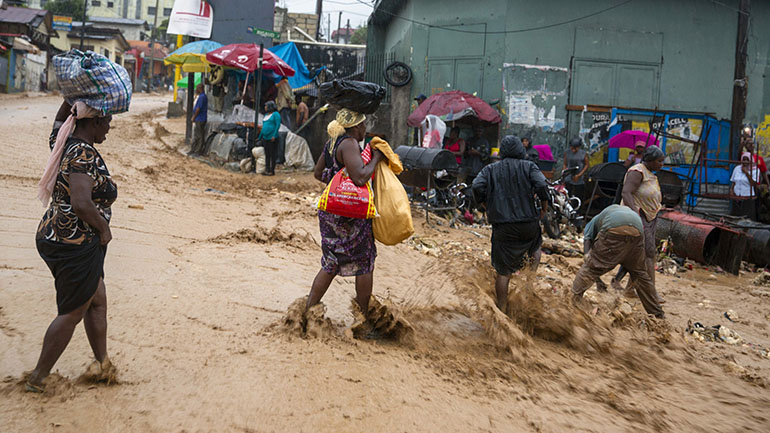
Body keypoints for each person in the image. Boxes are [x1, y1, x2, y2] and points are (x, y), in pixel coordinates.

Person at [27, 100, 119, 392]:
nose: (109, 128)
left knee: (97, 300)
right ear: (93, 123)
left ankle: (102, 364)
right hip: (74, 242)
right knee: (72, 311)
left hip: (57, 235)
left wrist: (72, 97)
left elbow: (57, 124)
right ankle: (38, 378)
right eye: (107, 122)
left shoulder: (66, 140)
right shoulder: (82, 152)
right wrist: (104, 230)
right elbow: (81, 203)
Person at [309, 108, 385, 315]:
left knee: (331, 262)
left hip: (330, 212)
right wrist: (376, 158)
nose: (365, 129)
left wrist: (337, 183)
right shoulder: (350, 144)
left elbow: (318, 173)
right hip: (350, 215)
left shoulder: (331, 143)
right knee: (364, 261)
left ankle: (307, 311)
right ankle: (363, 317)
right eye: (364, 124)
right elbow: (360, 177)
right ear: (356, 126)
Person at [472, 136, 549, 313]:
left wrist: (485, 205)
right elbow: (542, 185)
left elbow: (476, 187)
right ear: (520, 151)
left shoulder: (490, 169)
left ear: (502, 152)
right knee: (536, 246)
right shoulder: (529, 166)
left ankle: (502, 310)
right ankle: (529, 282)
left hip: (503, 225)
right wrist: (543, 207)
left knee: (503, 271)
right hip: (528, 222)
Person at [572, 205, 665, 318]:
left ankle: (572, 302)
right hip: (637, 229)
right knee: (640, 275)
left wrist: (587, 256)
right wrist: (608, 280)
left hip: (615, 227)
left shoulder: (593, 222)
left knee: (589, 269)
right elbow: (627, 261)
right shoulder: (610, 213)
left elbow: (587, 240)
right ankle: (658, 314)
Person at [610, 145, 666, 302]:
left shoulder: (649, 173)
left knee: (636, 254)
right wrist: (635, 214)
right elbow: (626, 193)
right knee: (649, 253)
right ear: (650, 160)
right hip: (637, 216)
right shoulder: (637, 171)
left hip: (649, 217)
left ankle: (627, 288)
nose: (662, 164)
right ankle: (651, 292)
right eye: (659, 161)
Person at [730, 152, 760, 219]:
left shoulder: (755, 170)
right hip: (737, 197)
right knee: (736, 217)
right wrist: (731, 190)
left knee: (747, 218)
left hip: (748, 198)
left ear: (750, 160)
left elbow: (754, 183)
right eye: (744, 159)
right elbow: (733, 181)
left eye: (747, 160)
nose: (745, 161)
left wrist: (746, 173)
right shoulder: (737, 168)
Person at [258, 101, 281, 176]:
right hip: (265, 137)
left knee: (272, 154)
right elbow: (263, 126)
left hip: (272, 138)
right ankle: (267, 169)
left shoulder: (275, 114)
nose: (265, 108)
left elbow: (277, 125)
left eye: (266, 106)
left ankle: (272, 170)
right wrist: (260, 136)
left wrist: (274, 135)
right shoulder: (266, 115)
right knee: (267, 154)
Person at [189, 83, 208, 156]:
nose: (196, 90)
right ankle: (193, 149)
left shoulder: (202, 97)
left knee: (199, 135)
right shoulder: (201, 96)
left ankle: (197, 151)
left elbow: (198, 109)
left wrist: (194, 117)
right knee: (196, 135)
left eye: (197, 88)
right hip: (199, 118)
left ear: (200, 88)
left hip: (200, 118)